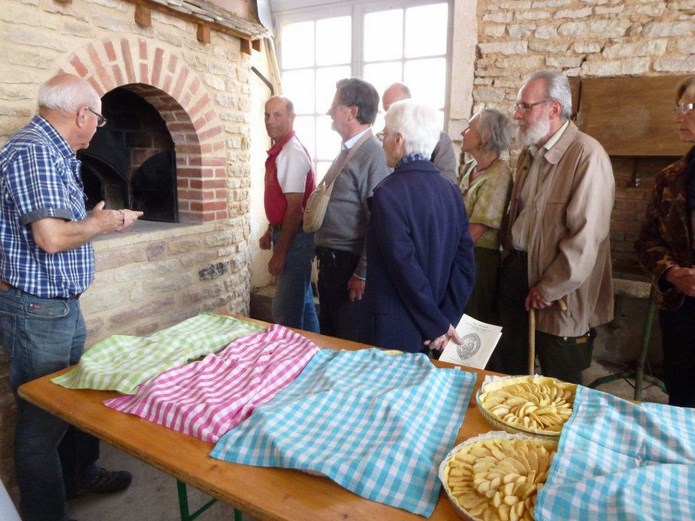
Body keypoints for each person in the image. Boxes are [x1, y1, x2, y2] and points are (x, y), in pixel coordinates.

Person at [0, 72, 141, 521]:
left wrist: (88, 217)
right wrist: (103, 223)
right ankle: (48, 514)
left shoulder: (49, 152)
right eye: (97, 121)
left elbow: (53, 226)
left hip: (57, 304)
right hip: (37, 309)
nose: (95, 130)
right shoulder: (36, 152)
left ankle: (80, 474)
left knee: (73, 398)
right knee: (42, 421)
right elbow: (51, 238)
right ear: (82, 115)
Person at [491, 70, 614, 384]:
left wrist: (549, 287)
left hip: (558, 292)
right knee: (512, 373)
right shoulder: (528, 154)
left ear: (554, 109)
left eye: (524, 106)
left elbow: (586, 238)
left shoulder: (587, 156)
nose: (516, 115)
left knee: (559, 383)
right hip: (519, 274)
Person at [362, 99, 476, 354]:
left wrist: (436, 325)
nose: (382, 142)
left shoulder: (387, 194)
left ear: (399, 140)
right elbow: (466, 264)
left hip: (397, 326)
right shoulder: (451, 191)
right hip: (440, 327)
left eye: (385, 135)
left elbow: (404, 268)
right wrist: (446, 320)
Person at [314, 78, 390, 342]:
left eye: (335, 105)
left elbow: (379, 220)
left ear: (353, 112)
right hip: (334, 264)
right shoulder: (347, 151)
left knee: (347, 341)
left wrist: (362, 272)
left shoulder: (373, 154)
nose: (329, 112)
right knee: (330, 336)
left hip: (349, 268)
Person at [635, 76, 695, 408]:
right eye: (678, 107)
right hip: (681, 311)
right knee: (682, 397)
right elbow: (647, 240)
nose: (677, 117)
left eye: (687, 107)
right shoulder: (670, 178)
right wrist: (671, 273)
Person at [259, 96, 319, 333]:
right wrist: (270, 229)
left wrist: (280, 254)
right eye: (267, 115)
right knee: (303, 306)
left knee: (284, 313)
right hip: (289, 235)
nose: (270, 121)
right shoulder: (283, 150)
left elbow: (295, 209)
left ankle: (290, 365)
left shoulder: (291, 153)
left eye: (277, 115)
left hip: (295, 240)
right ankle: (314, 351)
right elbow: (282, 203)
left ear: (291, 118)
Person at [457, 109, 513, 325]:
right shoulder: (470, 167)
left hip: (479, 261)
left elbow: (476, 230)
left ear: (486, 136)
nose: (463, 132)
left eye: (470, 127)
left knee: (472, 321)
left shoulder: (500, 173)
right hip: (461, 252)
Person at [381, 82, 458, 183]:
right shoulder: (385, 137)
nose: (389, 114)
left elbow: (448, 182)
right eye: (386, 109)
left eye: (392, 108)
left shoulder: (439, 138)